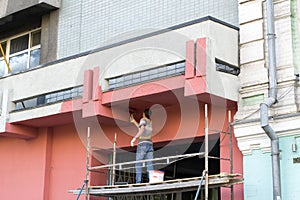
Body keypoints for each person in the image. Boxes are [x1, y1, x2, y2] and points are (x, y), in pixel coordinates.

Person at [130, 108, 154, 183]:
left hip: (142, 144)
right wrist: (134, 121)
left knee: (138, 163)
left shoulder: (143, 119)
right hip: (150, 144)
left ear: (144, 113)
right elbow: (141, 128)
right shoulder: (150, 122)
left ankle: (138, 182)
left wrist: (134, 138)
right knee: (149, 164)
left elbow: (142, 129)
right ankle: (152, 180)